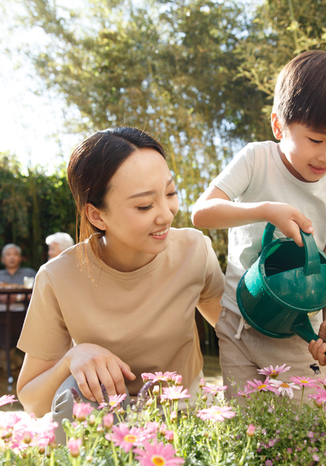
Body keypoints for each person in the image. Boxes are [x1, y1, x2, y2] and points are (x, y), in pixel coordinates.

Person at [192, 50, 326, 398]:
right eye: (316, 140)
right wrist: (266, 210)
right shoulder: (256, 159)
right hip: (238, 320)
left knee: (301, 426)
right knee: (243, 422)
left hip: (298, 325)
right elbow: (203, 212)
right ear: (278, 125)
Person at [16, 127, 224, 422]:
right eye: (144, 205)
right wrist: (72, 358)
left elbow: (236, 332)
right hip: (103, 428)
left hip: (184, 421)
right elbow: (33, 401)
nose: (166, 214)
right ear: (97, 215)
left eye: (170, 193)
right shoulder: (58, 277)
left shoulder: (194, 251)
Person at [0, 243, 36, 312]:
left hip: (24, 310)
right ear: (2, 259)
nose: (12, 257)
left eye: (15, 254)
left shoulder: (30, 273)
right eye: (8, 254)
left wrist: (18, 297)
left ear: (20, 258)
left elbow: (39, 294)